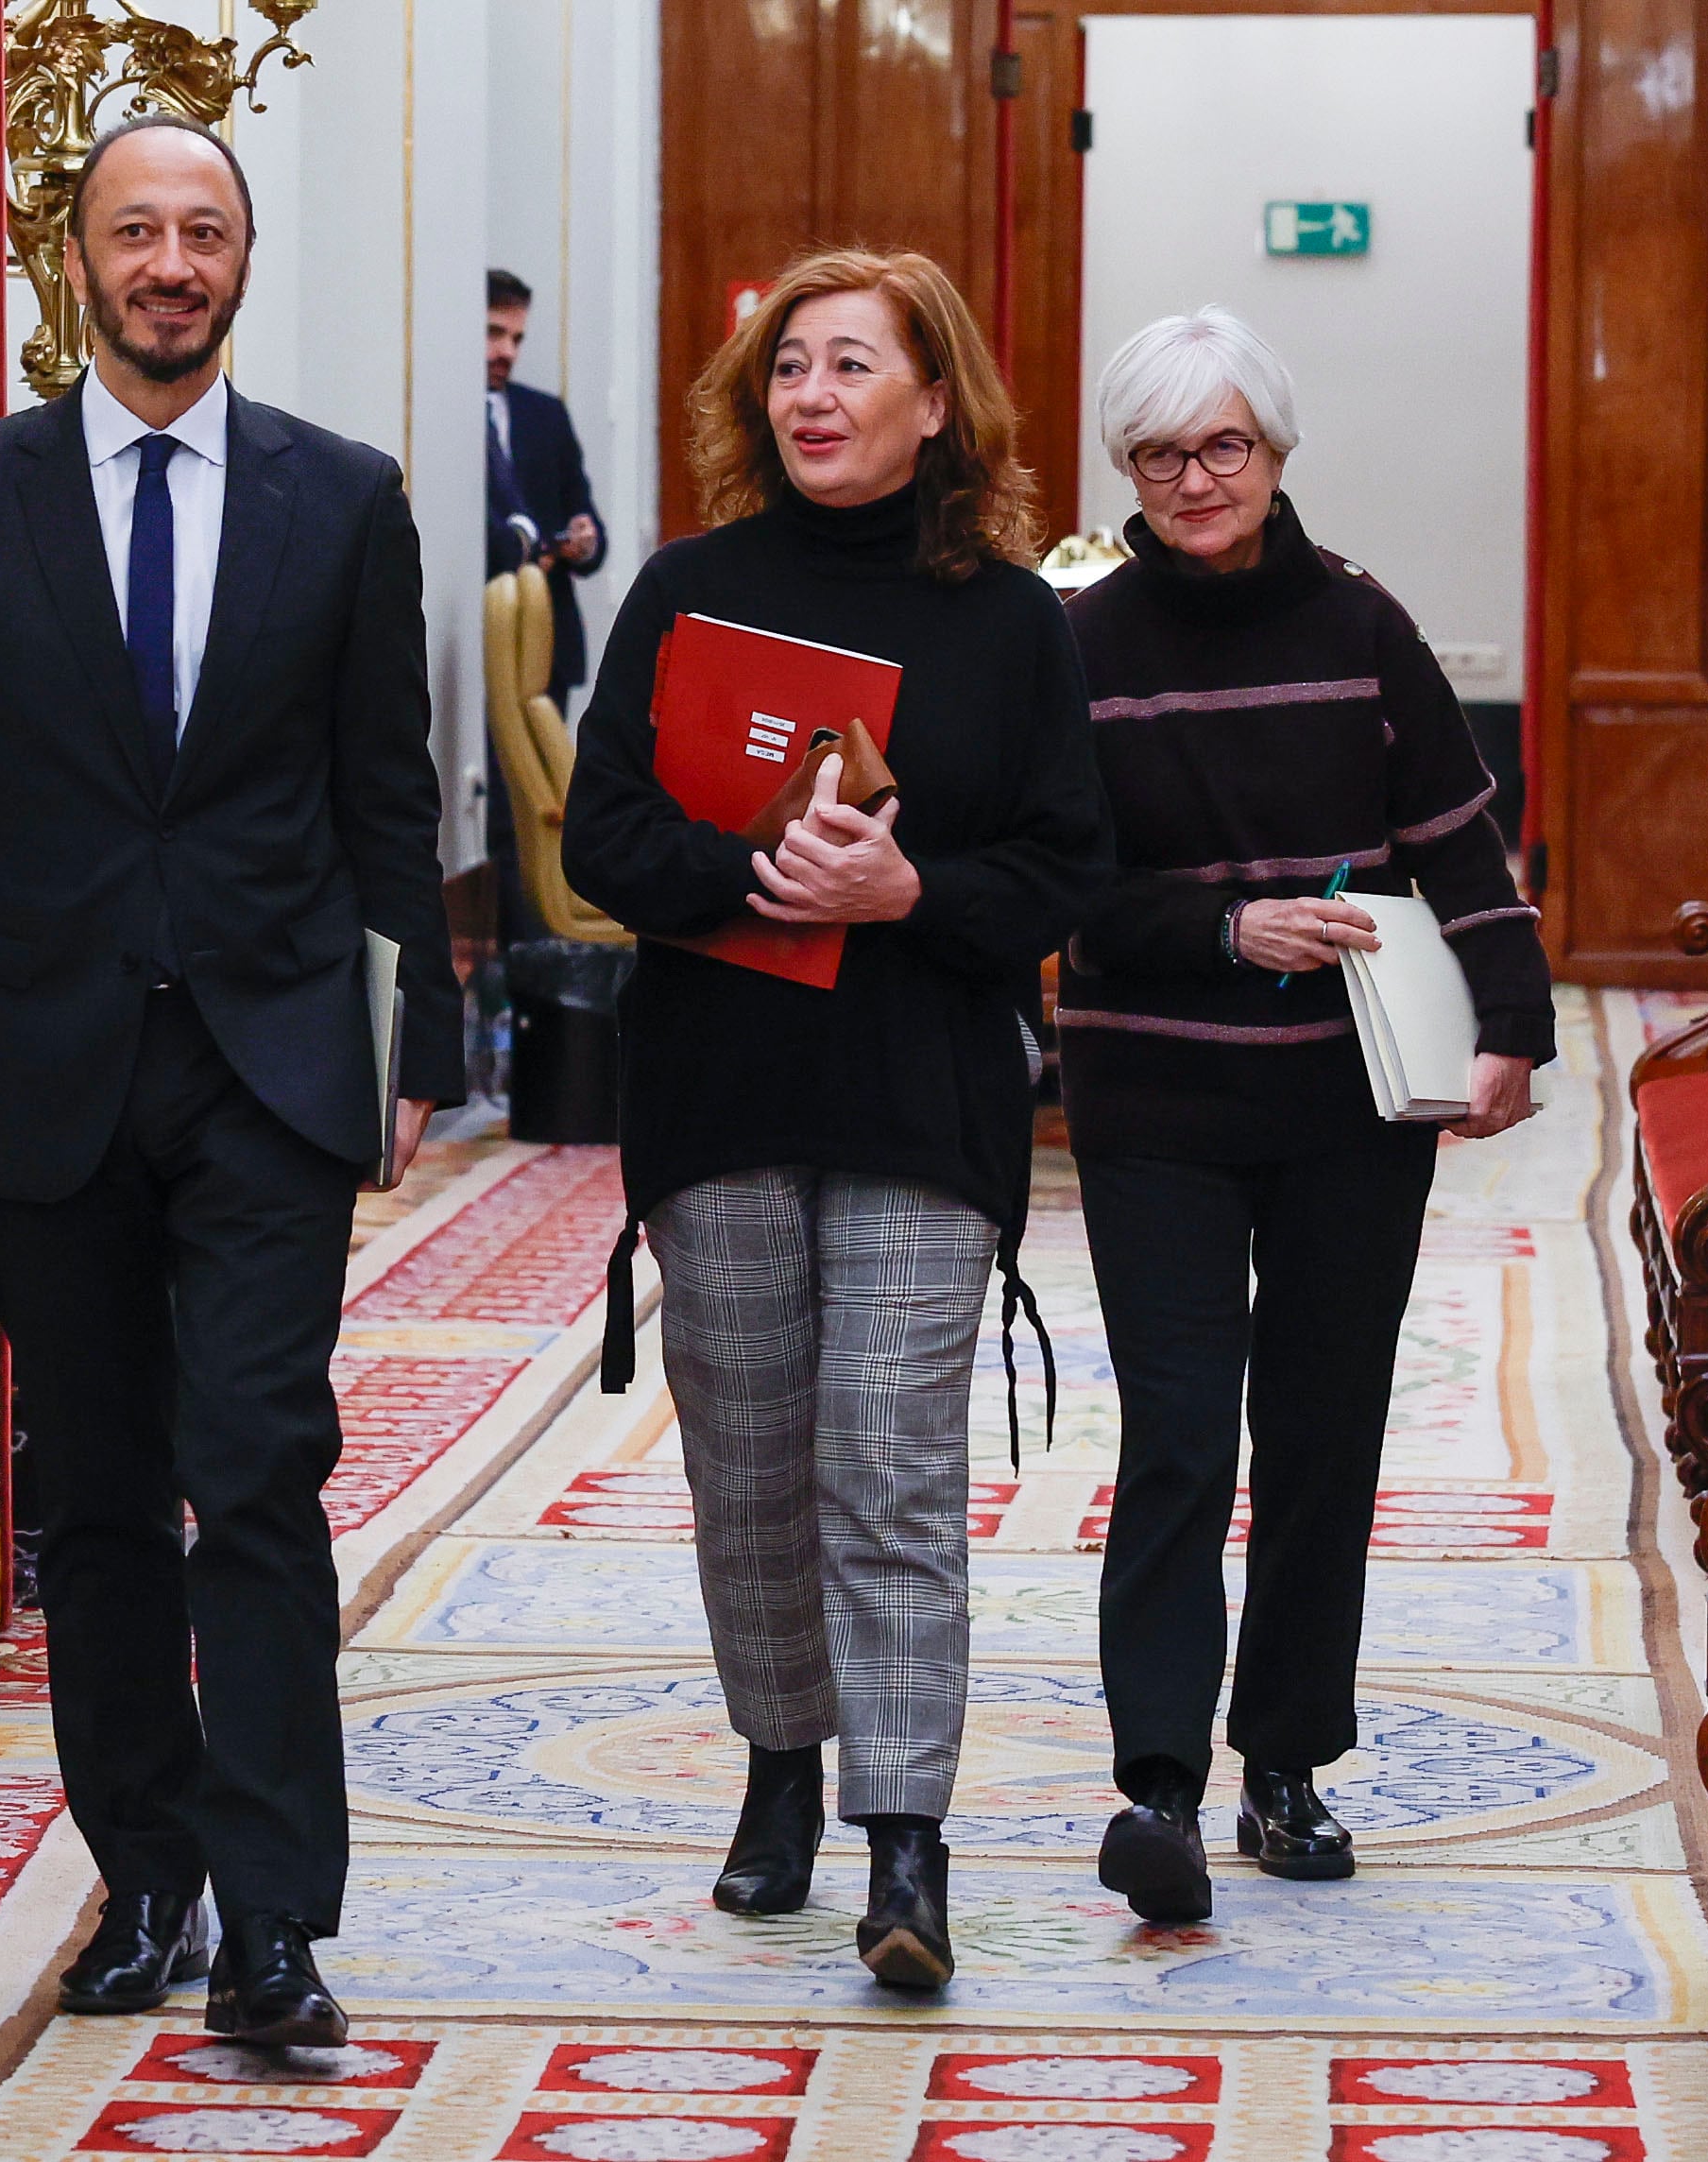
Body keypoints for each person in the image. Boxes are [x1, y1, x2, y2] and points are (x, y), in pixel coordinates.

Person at [0, 114, 463, 2046]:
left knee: (258, 1469)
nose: (169, 262)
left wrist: (413, 1035)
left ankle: (275, 1917)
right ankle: (149, 1869)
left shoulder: (342, 499)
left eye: (203, 233)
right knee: (93, 1491)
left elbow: (385, 789)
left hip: (270, 1062)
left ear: (241, 268)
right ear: (77, 262)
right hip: (41, 1060)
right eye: (136, 232)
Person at [561, 249, 1109, 1992]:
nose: (811, 394)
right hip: (719, 1091)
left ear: (934, 400)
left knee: (884, 1454)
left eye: (851, 364)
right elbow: (601, 842)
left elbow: (1064, 867)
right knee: (749, 1463)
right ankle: (779, 1764)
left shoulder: (1014, 619)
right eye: (788, 365)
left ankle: (905, 1836)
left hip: (920, 1094)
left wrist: (909, 886)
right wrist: (767, 873)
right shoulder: (686, 588)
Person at [1056, 307, 1554, 1925]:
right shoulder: (1082, 643)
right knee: (1181, 1434)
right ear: (1124, 468)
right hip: (1154, 1092)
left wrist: (1516, 1026)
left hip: (1351, 1102)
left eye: (1226, 447)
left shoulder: (1362, 624)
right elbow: (1055, 885)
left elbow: (1459, 844)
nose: (1195, 479)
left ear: (1275, 453)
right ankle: (1158, 1785)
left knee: (1324, 1431)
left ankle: (1286, 1760)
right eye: (1160, 452)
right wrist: (1222, 927)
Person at [483, 267, 606, 690]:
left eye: (516, 339)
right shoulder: (446, 414)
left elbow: (588, 519)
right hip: (477, 638)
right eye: (493, 333)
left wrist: (585, 542)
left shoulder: (546, 414)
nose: (507, 352)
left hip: (547, 644)